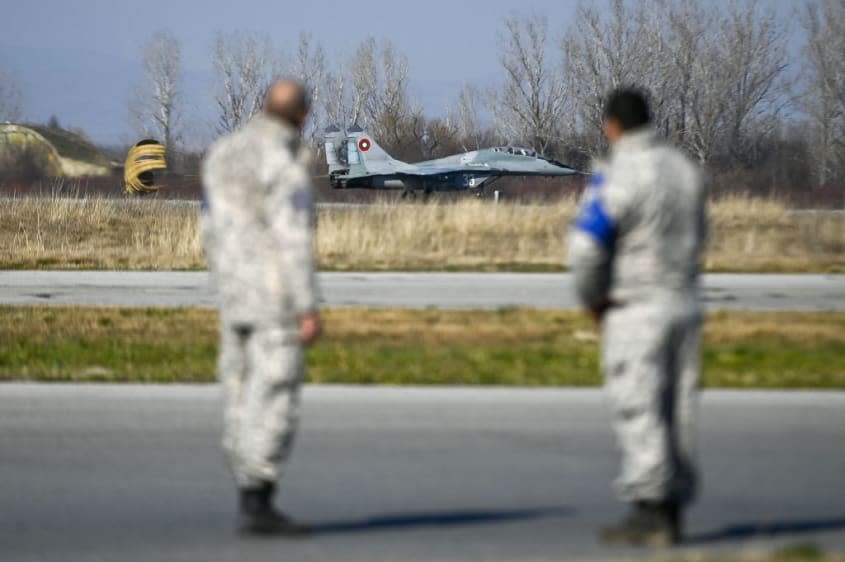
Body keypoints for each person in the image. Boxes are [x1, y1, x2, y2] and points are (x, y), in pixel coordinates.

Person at [567, 88, 707, 547]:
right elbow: (702, 233)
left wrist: (593, 299)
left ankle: (650, 510)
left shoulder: (619, 173)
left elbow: (587, 246)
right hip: (685, 305)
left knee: (640, 406)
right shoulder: (686, 170)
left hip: (636, 309)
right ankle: (673, 509)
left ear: (612, 125)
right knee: (678, 410)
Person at [201, 80, 322, 536]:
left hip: (233, 296)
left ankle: (243, 479)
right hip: (274, 301)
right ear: (301, 115)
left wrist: (226, 282)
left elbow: (208, 226)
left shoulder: (223, 152)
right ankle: (258, 497)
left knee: (238, 389)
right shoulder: (284, 162)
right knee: (275, 394)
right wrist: (306, 307)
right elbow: (293, 239)